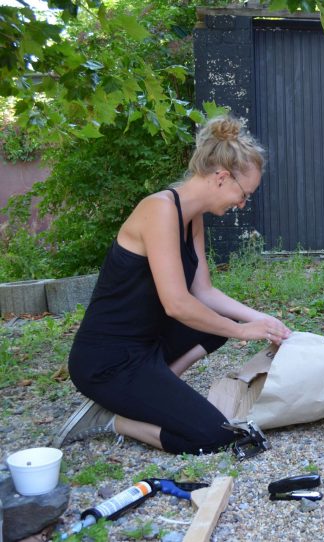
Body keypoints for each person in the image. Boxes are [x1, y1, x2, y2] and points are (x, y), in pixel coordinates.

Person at [53, 115, 291, 454]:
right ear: (222, 178)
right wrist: (242, 331)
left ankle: (157, 388)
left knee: (214, 324)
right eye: (244, 194)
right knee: (214, 435)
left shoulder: (190, 216)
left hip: (146, 345)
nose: (242, 204)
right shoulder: (159, 210)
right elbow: (177, 304)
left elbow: (203, 293)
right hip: (107, 361)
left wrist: (264, 321)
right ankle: (109, 419)